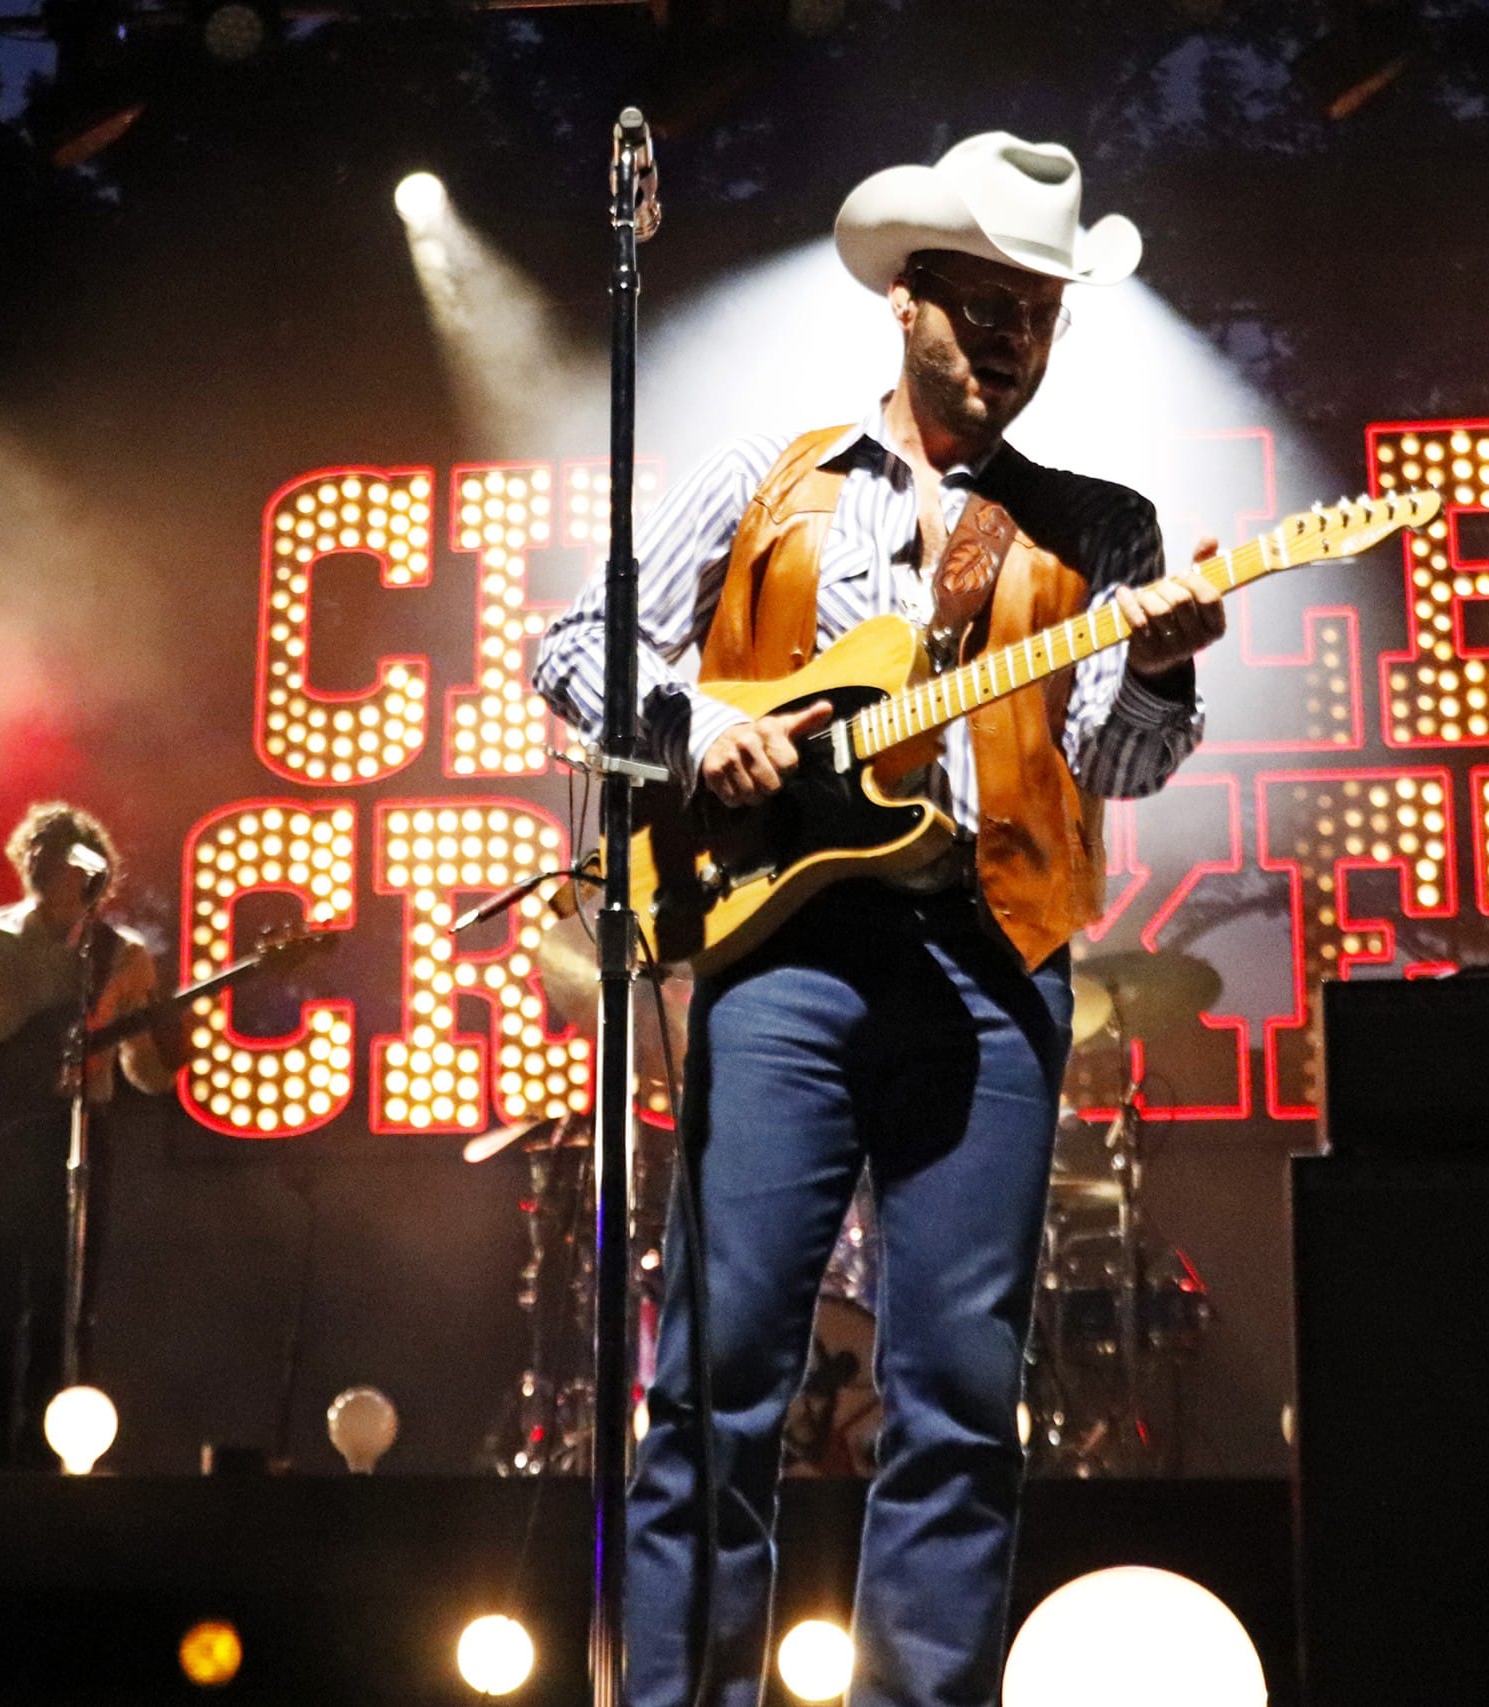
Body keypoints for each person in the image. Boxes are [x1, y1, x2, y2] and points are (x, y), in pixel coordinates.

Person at [531, 132, 1226, 1707]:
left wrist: (1164, 658)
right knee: (716, 1372)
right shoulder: (766, 478)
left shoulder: (1100, 528)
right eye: (983, 305)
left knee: (962, 1393)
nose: (1013, 337)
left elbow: (1118, 760)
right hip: (783, 954)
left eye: (1038, 313)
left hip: (993, 963)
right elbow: (577, 646)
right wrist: (702, 721)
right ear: (905, 298)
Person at [0, 802, 193, 1468]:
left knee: (63, 1312)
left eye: (55, 854)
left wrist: (172, 1049)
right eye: (32, 851)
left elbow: (144, 1075)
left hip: (79, 1137)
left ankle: (44, 1468)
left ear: (87, 870)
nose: (38, 863)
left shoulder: (124, 956)